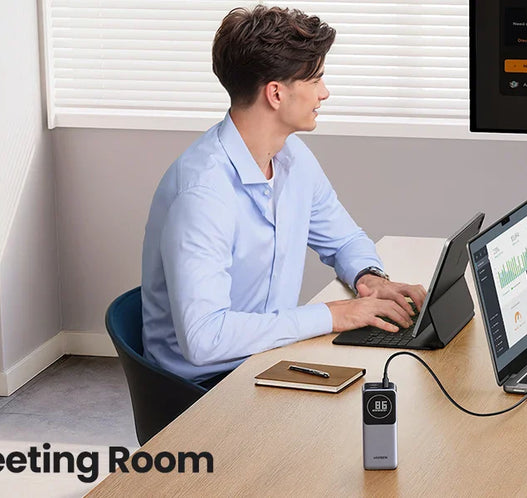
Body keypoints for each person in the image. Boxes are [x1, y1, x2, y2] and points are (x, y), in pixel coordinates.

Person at [140, 6, 425, 388]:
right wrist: (334, 315)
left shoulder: (292, 159)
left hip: (269, 358)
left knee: (392, 383)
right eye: (316, 79)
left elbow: (343, 238)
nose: (325, 93)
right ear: (276, 93)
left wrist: (368, 277)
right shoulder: (204, 194)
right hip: (206, 386)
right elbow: (205, 340)